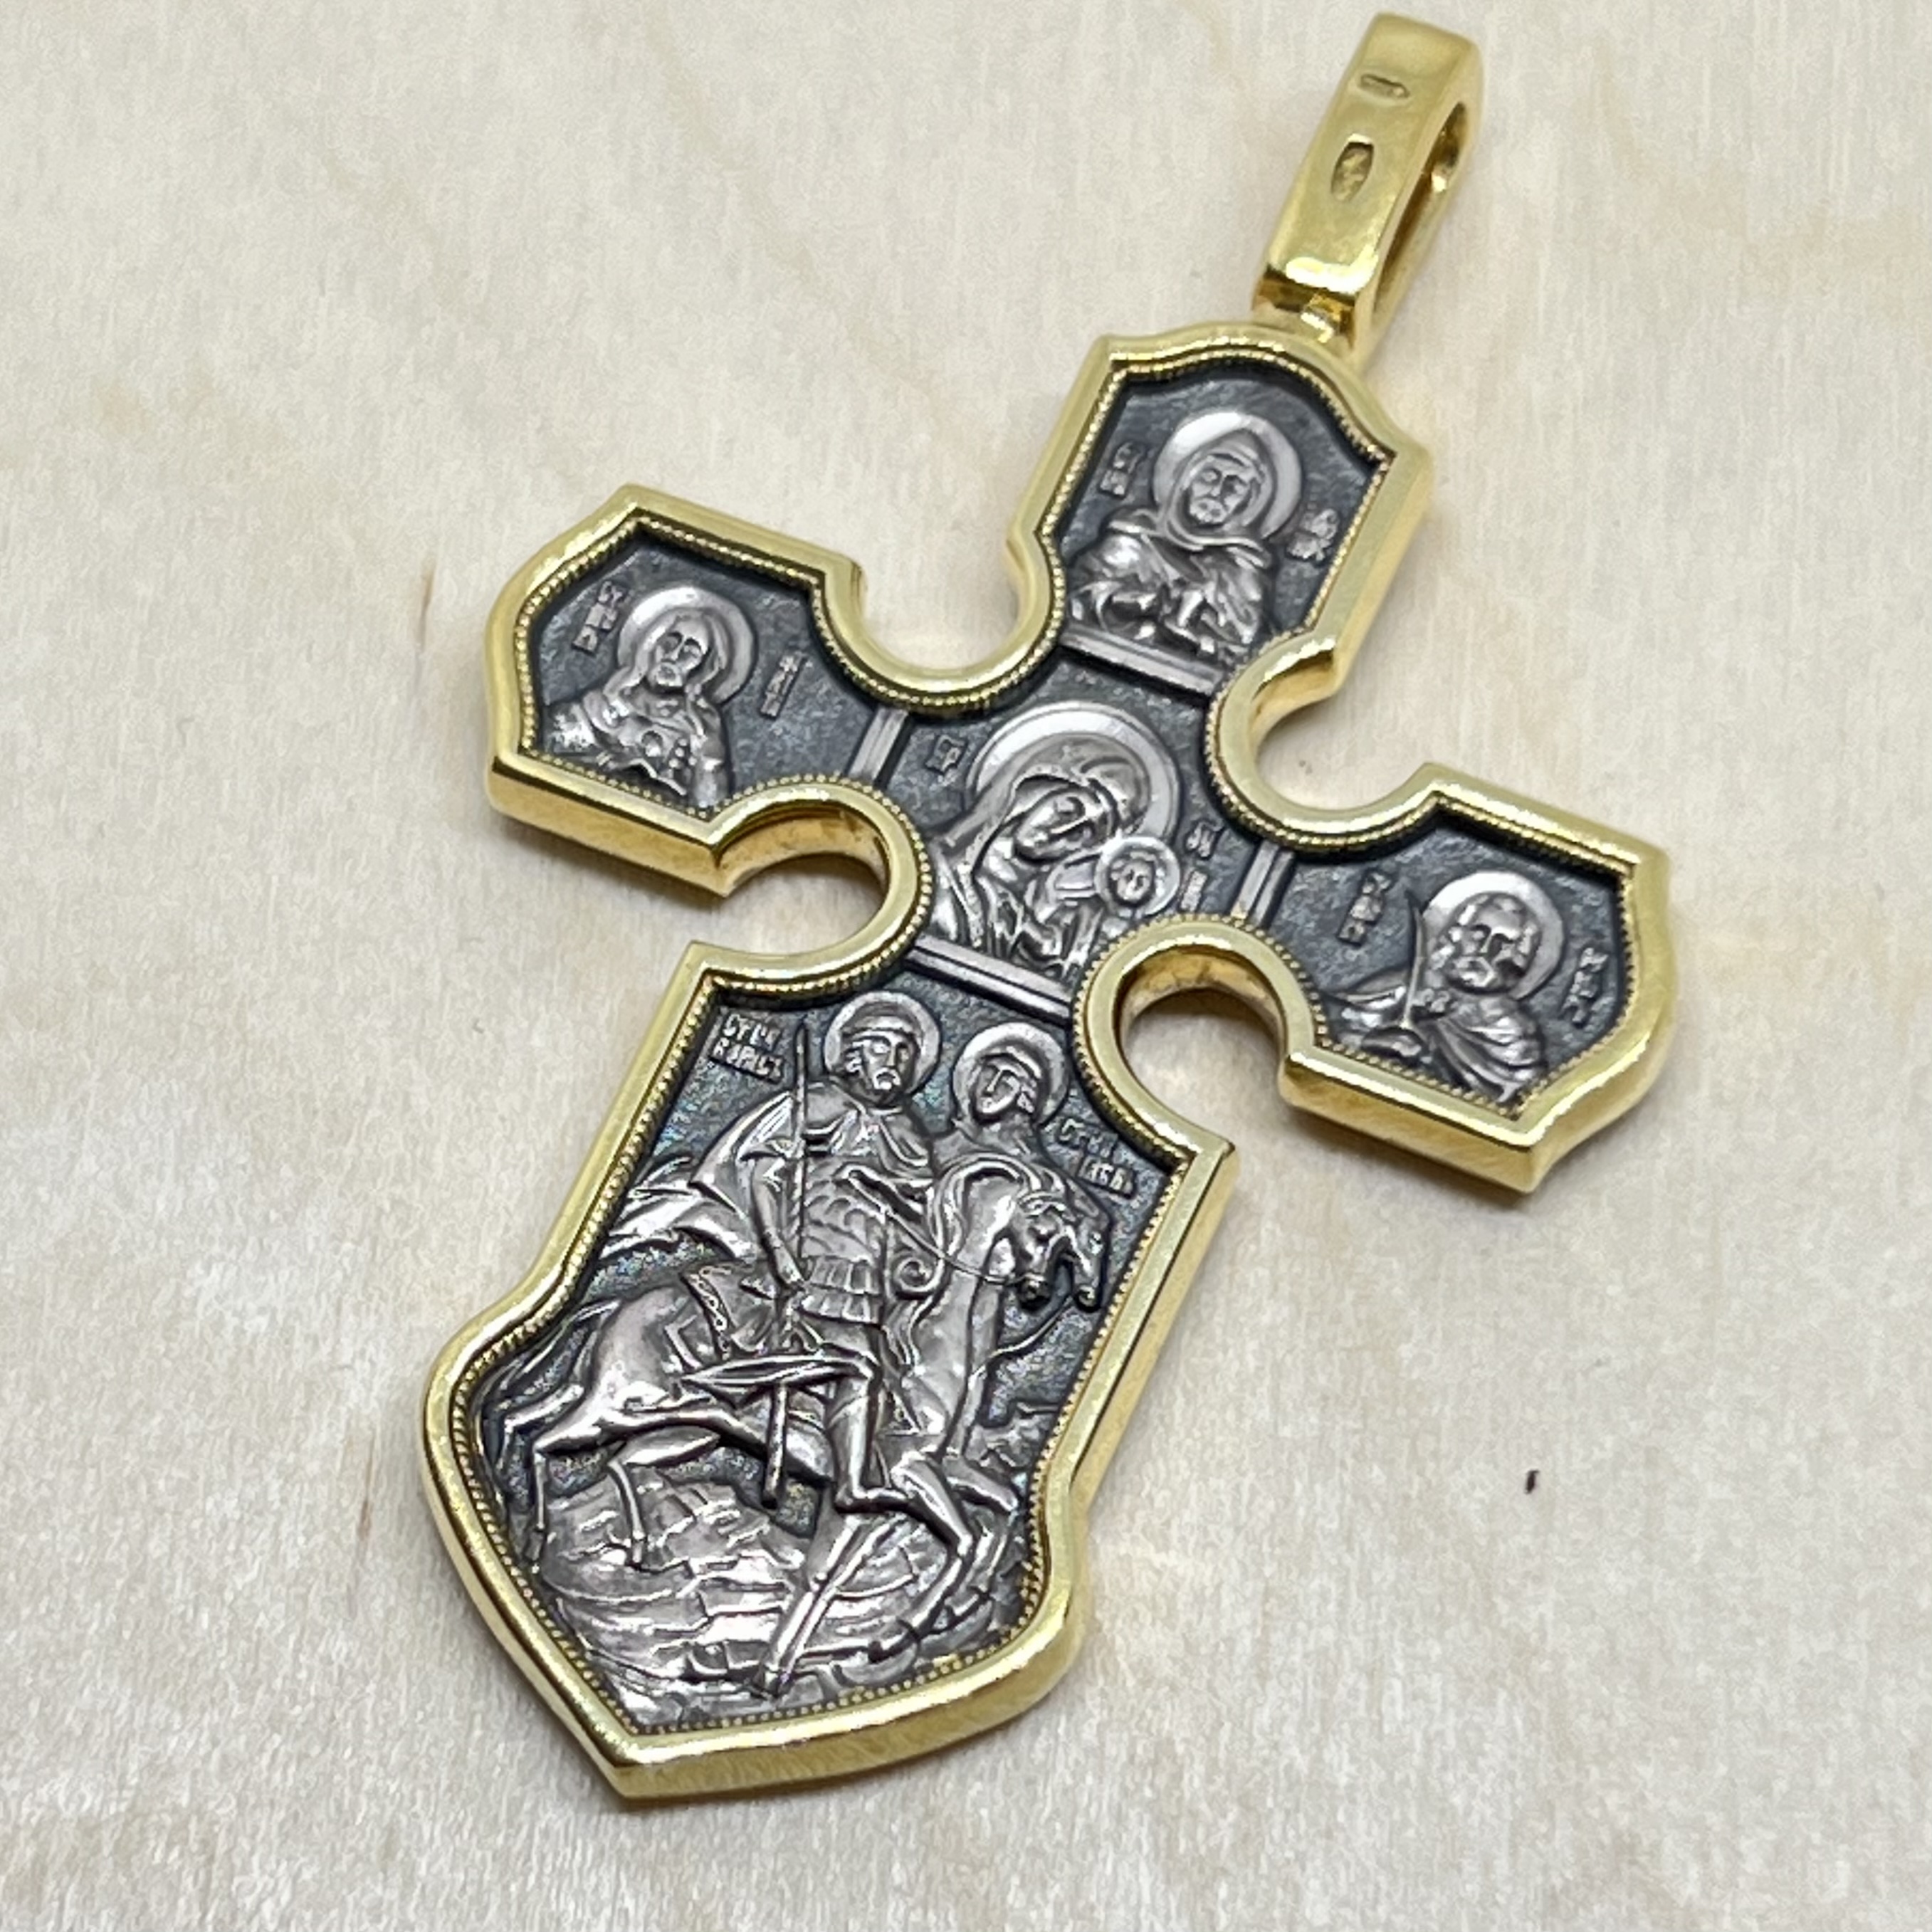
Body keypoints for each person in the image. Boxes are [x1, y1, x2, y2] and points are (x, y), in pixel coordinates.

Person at [929, 705, 1180, 980]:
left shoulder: (1021, 928)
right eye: (1068, 809)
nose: (1063, 831)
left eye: (1085, 834)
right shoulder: (925, 863)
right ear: (1035, 785)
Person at [1069, 408, 1302, 661]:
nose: (1217, 492)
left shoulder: (1242, 575)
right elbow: (1078, 593)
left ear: (1251, 502)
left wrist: (1194, 639)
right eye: (1210, 477)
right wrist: (1123, 603)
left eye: (1235, 486)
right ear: (1186, 479)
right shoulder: (1134, 537)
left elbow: (1247, 651)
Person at [1332, 871, 1565, 1106]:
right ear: (1455, 934)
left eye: (1502, 943)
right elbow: (1340, 1034)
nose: (1484, 950)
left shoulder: (1514, 1036)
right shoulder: (1399, 986)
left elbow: (1518, 1101)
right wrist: (1377, 1043)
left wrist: (1430, 1066)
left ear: (1520, 960)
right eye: (1478, 934)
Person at [547, 583, 752, 807]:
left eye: (690, 653)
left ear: (703, 671)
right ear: (651, 644)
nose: (674, 656)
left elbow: (707, 809)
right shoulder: (599, 703)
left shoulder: (693, 733)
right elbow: (549, 754)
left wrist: (710, 757)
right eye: (669, 643)